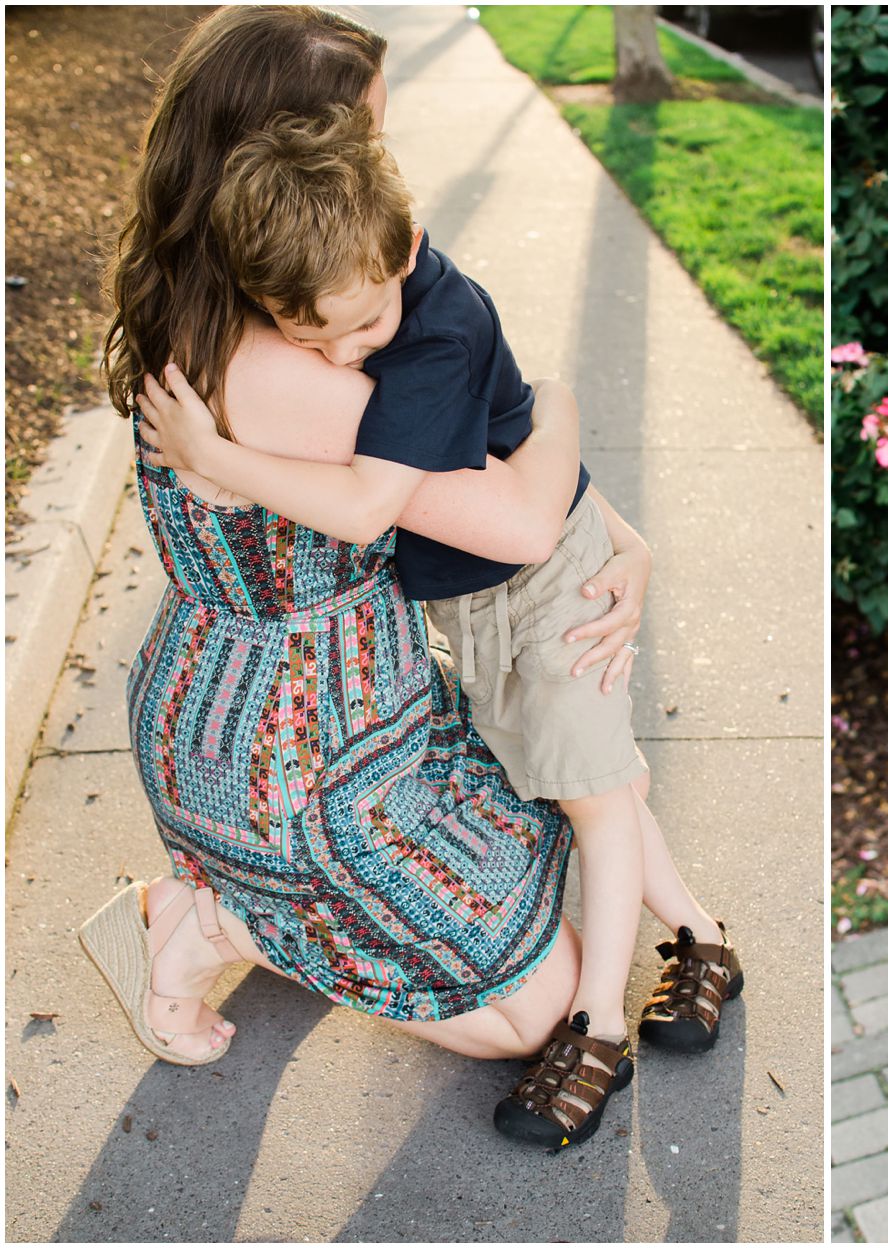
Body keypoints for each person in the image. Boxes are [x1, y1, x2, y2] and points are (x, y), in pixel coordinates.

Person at [76, 4, 651, 1136]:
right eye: (367, 135)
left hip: (297, 706)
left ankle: (238, 901)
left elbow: (477, 438)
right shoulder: (282, 369)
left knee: (542, 846)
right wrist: (574, 410)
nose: (385, 164)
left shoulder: (220, 299)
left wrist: (624, 537)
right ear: (283, 161)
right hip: (296, 756)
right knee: (533, 1013)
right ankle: (205, 922)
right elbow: (524, 514)